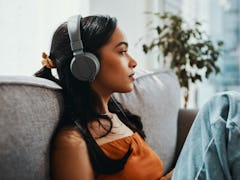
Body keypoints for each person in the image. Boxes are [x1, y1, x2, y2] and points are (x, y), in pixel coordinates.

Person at [35, 14, 240, 180]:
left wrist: (196, 157)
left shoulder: (120, 119)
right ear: (86, 66)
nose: (133, 62)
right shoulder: (73, 142)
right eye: (122, 52)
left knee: (226, 115)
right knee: (224, 105)